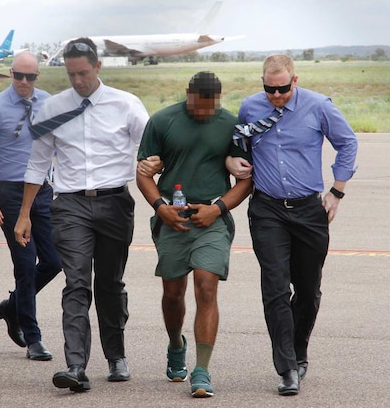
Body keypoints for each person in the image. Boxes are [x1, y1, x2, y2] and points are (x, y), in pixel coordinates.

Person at [14, 38, 149, 393]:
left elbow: (151, 148)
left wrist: (156, 172)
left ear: (98, 67)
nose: (78, 81)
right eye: (71, 74)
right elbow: (38, 162)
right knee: (76, 283)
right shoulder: (52, 109)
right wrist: (24, 213)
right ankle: (75, 366)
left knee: (110, 283)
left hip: (115, 202)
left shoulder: (127, 105)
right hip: (70, 204)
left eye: (84, 73)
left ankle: (116, 355)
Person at [227, 54, 358, 396]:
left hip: (308, 211)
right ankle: (286, 368)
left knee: (308, 290)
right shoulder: (250, 108)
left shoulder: (319, 106)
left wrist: (337, 191)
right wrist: (231, 159)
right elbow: (236, 144)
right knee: (274, 288)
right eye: (269, 90)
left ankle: (299, 351)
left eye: (283, 89)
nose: (276, 96)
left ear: (295, 80)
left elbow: (347, 143)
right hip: (268, 210)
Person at [136, 71, 253, 398]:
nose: (203, 114)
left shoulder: (231, 125)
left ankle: (201, 370)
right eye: (198, 107)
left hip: (211, 219)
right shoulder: (162, 121)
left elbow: (247, 179)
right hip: (173, 218)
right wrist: (160, 207)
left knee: (206, 285)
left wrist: (218, 208)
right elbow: (142, 173)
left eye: (209, 108)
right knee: (173, 294)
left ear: (218, 99)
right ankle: (176, 344)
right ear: (187, 93)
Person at [0, 51, 62, 362]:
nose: (24, 82)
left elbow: (61, 144)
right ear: (11, 74)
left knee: (53, 261)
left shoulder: (48, 102)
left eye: (30, 77)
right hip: (9, 193)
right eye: (18, 76)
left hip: (42, 191)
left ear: (37, 77)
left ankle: (11, 307)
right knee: (25, 263)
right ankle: (32, 335)